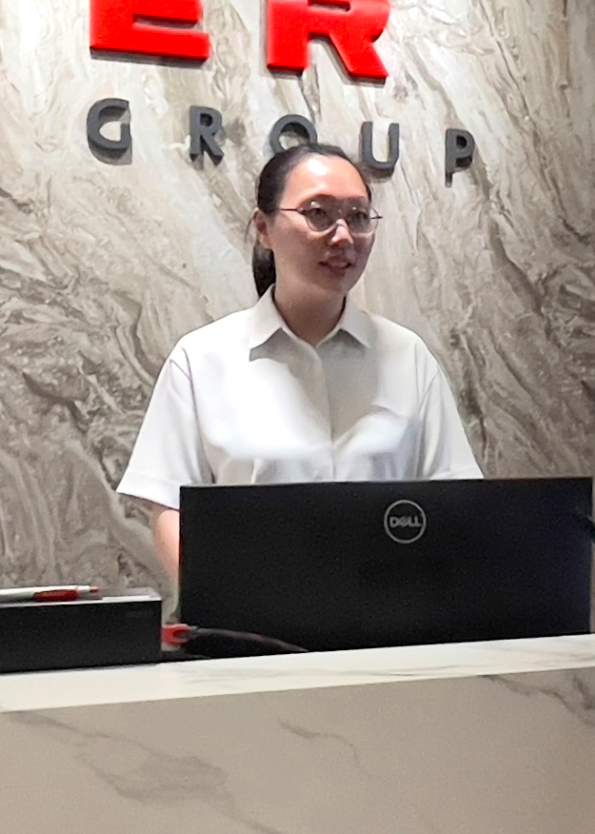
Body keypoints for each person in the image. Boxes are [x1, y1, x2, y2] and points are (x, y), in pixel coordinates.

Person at [117, 143, 479, 577]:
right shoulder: (201, 360)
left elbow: (456, 504)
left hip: (389, 634)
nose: (343, 236)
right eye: (318, 213)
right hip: (247, 633)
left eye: (358, 216)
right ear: (264, 228)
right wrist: (219, 610)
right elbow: (170, 511)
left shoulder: (408, 358)